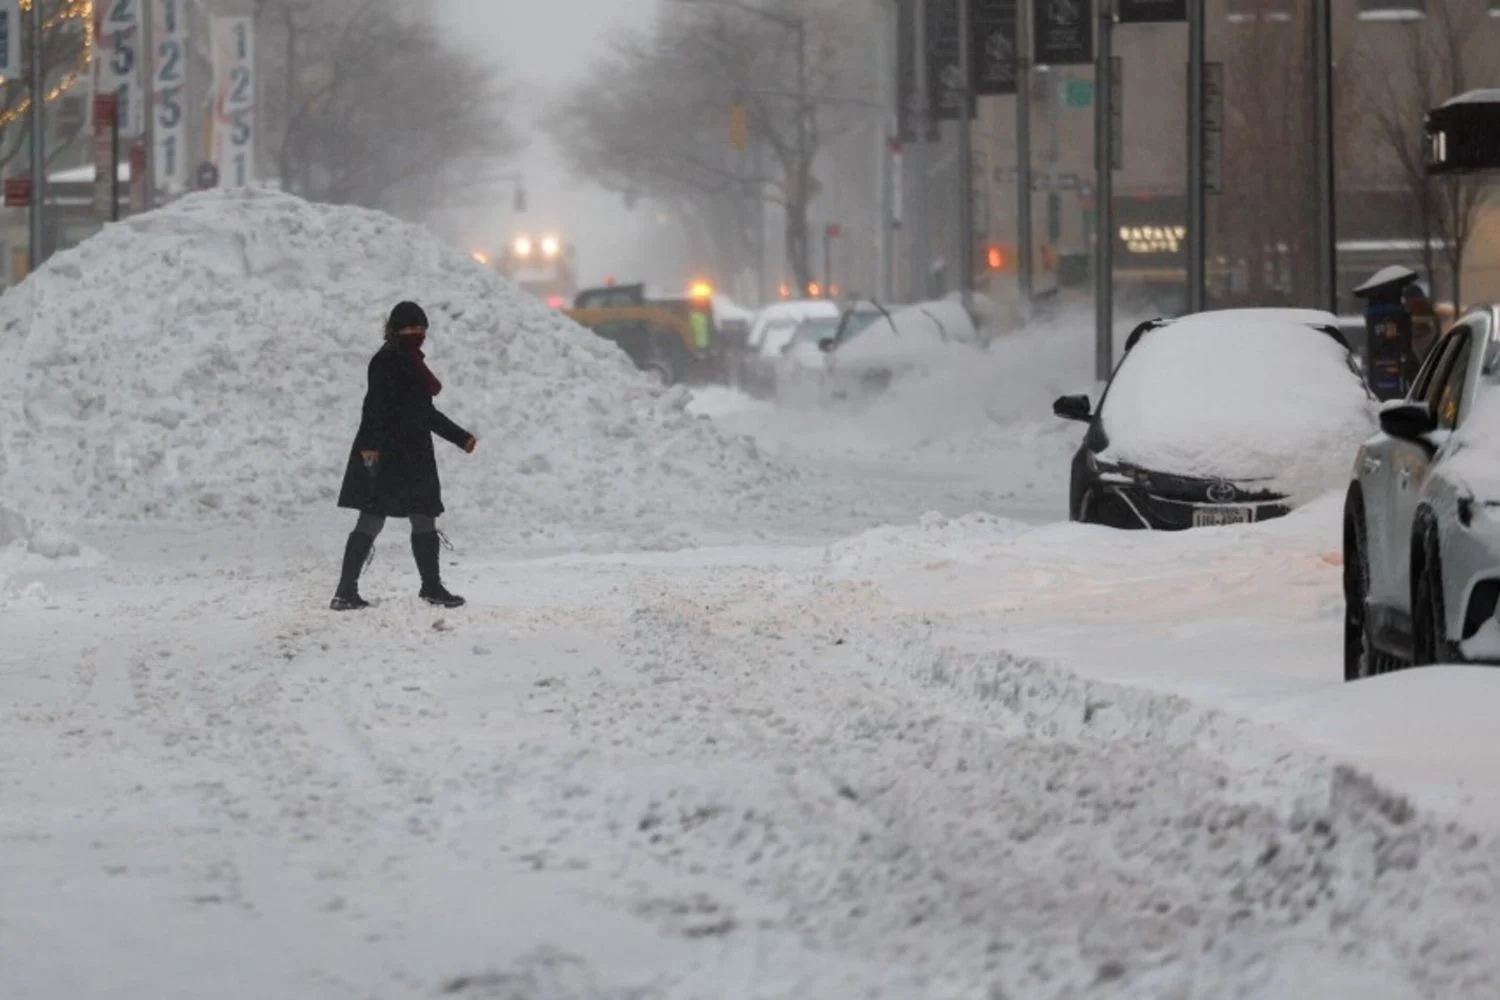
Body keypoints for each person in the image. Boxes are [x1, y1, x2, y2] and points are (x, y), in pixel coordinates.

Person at [331, 301, 476, 611]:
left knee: (424, 515)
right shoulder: (386, 361)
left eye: (422, 329)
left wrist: (460, 438)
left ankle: (431, 586)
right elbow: (373, 407)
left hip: (414, 453)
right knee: (372, 518)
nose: (419, 333)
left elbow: (425, 413)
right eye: (412, 328)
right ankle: (345, 591)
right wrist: (370, 449)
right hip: (386, 454)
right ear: (396, 330)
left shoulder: (412, 361)